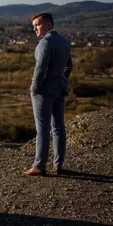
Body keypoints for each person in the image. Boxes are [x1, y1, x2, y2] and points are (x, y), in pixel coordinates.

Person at [25, 13, 72, 176]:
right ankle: (58, 165)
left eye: (38, 25)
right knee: (58, 127)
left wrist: (34, 87)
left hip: (44, 91)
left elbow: (40, 69)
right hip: (59, 88)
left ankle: (39, 165)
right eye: (34, 26)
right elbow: (68, 67)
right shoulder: (65, 42)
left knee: (42, 129)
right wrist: (61, 80)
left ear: (49, 25)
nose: (35, 29)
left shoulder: (45, 43)